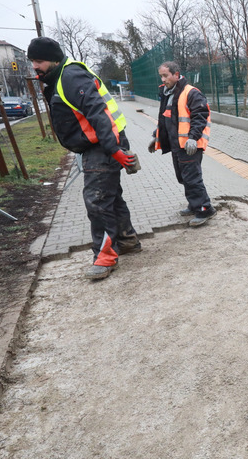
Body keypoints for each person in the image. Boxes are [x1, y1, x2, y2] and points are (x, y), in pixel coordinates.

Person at [28, 36, 141, 280]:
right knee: (111, 198)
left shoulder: (70, 77)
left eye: (39, 61)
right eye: (33, 62)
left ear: (54, 60)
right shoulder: (60, 77)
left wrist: (114, 150)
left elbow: (98, 113)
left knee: (97, 202)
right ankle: (127, 241)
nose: (35, 66)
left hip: (102, 145)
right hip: (101, 144)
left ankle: (105, 257)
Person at [146, 61, 216, 226]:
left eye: (166, 75)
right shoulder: (167, 93)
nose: (163, 79)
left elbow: (200, 117)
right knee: (183, 177)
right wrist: (156, 137)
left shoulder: (191, 93)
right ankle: (194, 204)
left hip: (190, 145)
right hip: (177, 145)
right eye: (161, 76)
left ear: (176, 74)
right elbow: (165, 119)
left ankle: (205, 209)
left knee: (192, 178)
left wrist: (193, 138)